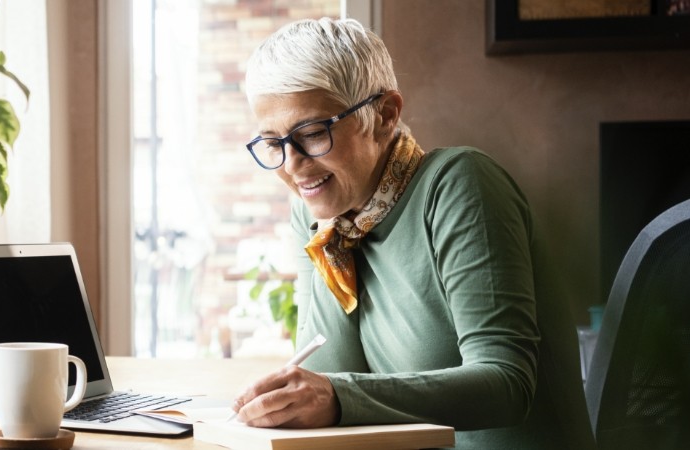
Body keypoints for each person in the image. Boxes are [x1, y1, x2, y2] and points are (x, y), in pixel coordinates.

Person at [230, 18, 593, 449]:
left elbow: (506, 384)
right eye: (273, 143)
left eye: (311, 134)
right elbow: (330, 370)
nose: (291, 165)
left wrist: (337, 396)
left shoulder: (460, 184)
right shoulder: (318, 214)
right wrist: (333, 224)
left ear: (384, 115)